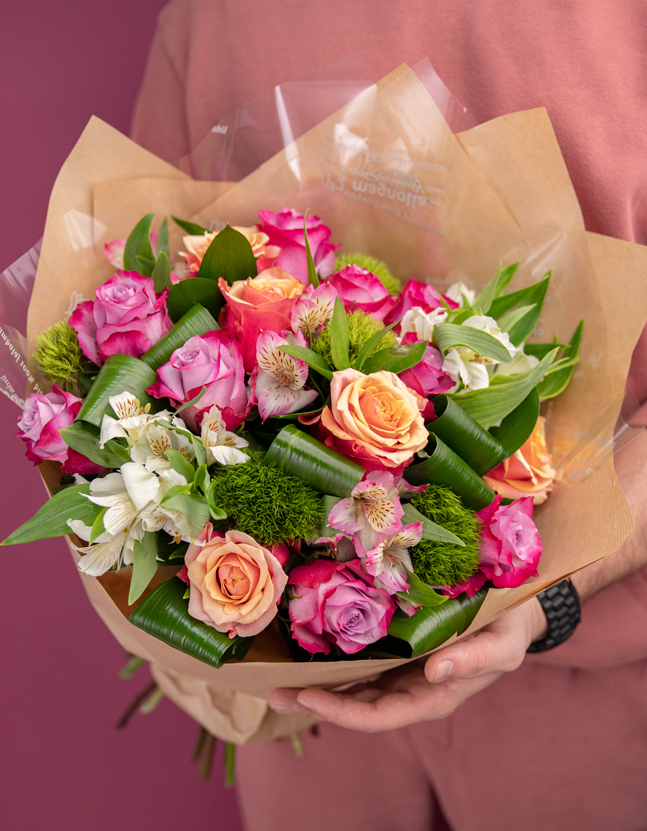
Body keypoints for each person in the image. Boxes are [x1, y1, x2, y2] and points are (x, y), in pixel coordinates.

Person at [131, 2, 647, 828]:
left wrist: (547, 597)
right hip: (299, 686)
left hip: (589, 683)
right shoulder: (211, 17)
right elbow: (145, 285)